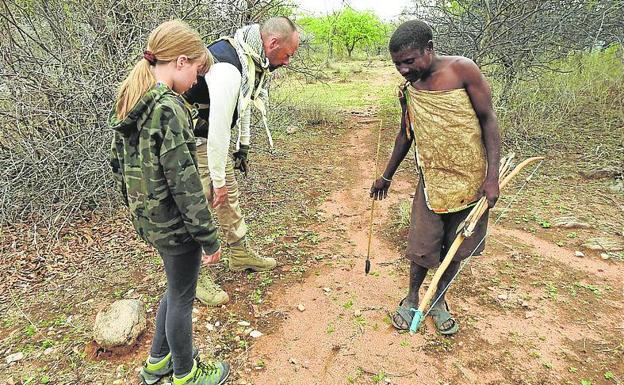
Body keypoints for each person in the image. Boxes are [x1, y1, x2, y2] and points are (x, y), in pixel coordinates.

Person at [109, 20, 230, 385]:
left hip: (151, 221)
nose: (197, 80)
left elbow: (118, 166)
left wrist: (142, 210)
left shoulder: (132, 100)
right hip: (176, 224)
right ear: (180, 61)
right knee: (182, 298)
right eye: (196, 69)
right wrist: (208, 236)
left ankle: (157, 362)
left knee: (175, 288)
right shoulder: (168, 108)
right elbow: (186, 183)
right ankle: (185, 373)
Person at [370, 20, 501, 335]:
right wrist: (386, 176)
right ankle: (412, 296)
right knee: (422, 243)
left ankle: (440, 300)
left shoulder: (463, 71)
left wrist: (492, 177)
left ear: (429, 49)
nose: (403, 69)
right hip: (432, 180)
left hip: (471, 180)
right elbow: (406, 134)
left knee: (457, 242)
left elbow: (488, 122)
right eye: (397, 64)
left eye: (409, 61)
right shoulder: (410, 88)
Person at [183, 17, 300, 306]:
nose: (287, 62)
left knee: (228, 197)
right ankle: (192, 274)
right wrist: (218, 180)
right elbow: (217, 129)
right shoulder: (227, 67)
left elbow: (244, 104)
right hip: (193, 139)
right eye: (287, 54)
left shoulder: (251, 59)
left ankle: (239, 252)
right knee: (199, 204)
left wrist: (243, 146)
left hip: (211, 139)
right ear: (272, 43)